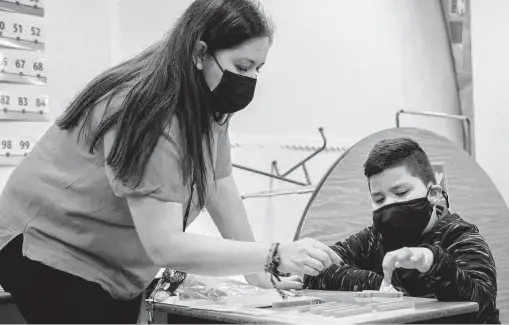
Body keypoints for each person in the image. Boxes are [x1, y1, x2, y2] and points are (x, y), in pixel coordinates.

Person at [0, 0, 341, 323]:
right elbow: (164, 245)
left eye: (257, 69)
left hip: (111, 257)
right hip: (47, 247)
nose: (249, 79)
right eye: (242, 66)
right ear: (200, 53)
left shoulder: (210, 102)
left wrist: (259, 272)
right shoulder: (147, 110)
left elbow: (219, 184)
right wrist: (274, 254)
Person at [303, 138, 500, 324]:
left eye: (401, 193)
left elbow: (481, 304)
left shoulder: (461, 236)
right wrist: (378, 286)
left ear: (433, 194)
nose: (389, 205)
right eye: (379, 199)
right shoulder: (374, 238)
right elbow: (316, 270)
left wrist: (432, 262)